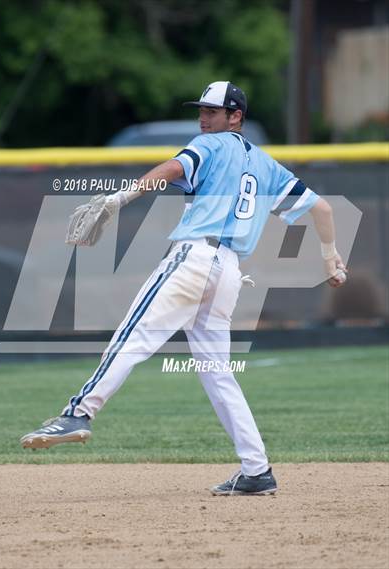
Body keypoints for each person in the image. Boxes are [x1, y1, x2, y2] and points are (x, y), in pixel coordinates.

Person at [20, 81, 347, 496]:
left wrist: (121, 198)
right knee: (217, 374)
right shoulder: (266, 165)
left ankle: (78, 413)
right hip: (228, 272)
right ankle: (256, 470)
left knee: (132, 335)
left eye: (212, 111)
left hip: (193, 258)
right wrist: (330, 256)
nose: (203, 117)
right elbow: (323, 207)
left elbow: (172, 169)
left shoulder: (211, 144)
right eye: (202, 110)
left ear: (235, 118)